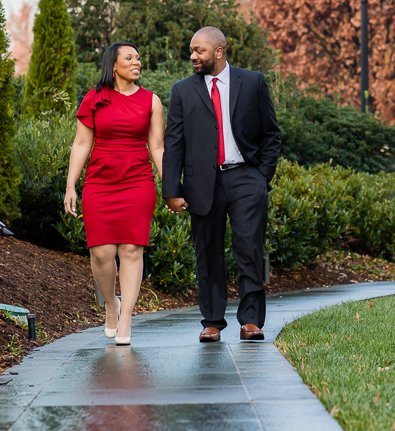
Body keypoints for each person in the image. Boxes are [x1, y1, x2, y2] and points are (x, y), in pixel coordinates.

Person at [162, 27, 281, 343]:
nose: (192, 56)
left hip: (246, 177)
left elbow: (272, 134)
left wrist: (262, 177)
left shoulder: (252, 82)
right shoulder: (182, 91)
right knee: (208, 252)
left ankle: (251, 320)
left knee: (249, 248)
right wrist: (172, 190)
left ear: (218, 51)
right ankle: (212, 321)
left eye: (198, 50)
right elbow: (173, 144)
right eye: (191, 50)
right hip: (203, 183)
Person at [64, 42, 165, 346]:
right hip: (100, 183)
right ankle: (111, 304)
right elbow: (81, 144)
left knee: (132, 250)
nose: (137, 62)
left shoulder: (152, 101)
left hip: (138, 181)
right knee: (101, 253)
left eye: (138, 57)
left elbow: (157, 147)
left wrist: (171, 185)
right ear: (113, 65)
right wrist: (71, 185)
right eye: (130, 57)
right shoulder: (94, 99)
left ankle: (126, 319)